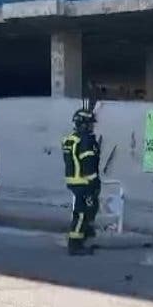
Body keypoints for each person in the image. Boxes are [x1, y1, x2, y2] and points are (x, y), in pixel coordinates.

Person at [61, 108, 101, 256]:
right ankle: (75, 243)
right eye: (90, 124)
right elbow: (88, 163)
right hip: (84, 181)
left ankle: (84, 235)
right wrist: (94, 183)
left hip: (73, 180)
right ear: (83, 124)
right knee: (82, 213)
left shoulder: (70, 139)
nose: (92, 127)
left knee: (86, 209)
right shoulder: (85, 140)